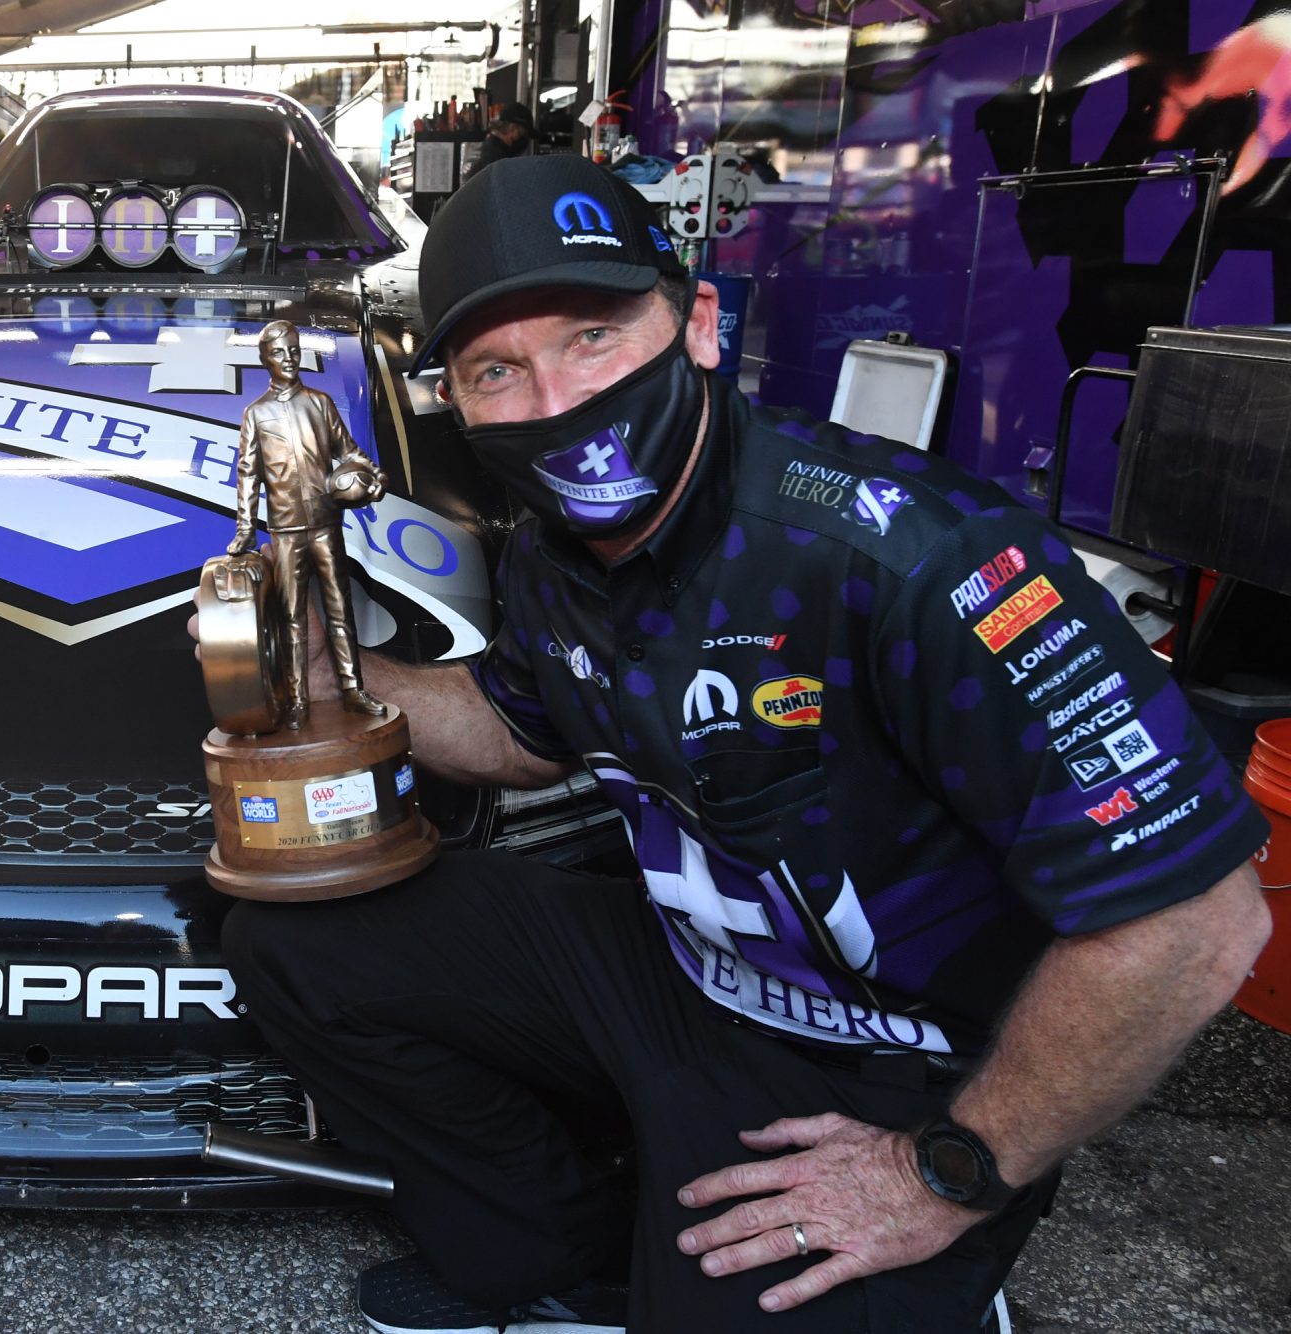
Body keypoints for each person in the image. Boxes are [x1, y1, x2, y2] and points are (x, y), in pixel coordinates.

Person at [218, 154, 1272, 1334]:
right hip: (683, 974)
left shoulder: (921, 557)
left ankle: (926, 1264)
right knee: (299, 937)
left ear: (700, 325)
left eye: (593, 336)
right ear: (452, 401)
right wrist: (322, 677)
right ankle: (559, 1259)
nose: (553, 397)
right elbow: (522, 732)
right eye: (494, 370)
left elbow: (1194, 922)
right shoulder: (551, 548)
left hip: (890, 1064)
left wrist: (945, 1167)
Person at [227, 320, 390, 726]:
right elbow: (247, 473)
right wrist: (246, 527)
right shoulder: (256, 414)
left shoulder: (319, 403)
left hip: (326, 525)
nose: (289, 359)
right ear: (265, 358)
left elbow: (351, 453)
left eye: (294, 350)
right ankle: (297, 699)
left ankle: (352, 691)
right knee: (291, 619)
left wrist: (374, 480)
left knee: (340, 611)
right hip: (284, 531)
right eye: (279, 352)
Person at [463, 101, 534, 183]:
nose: (526, 141)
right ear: (513, 129)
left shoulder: (485, 149)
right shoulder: (499, 162)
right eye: (524, 134)